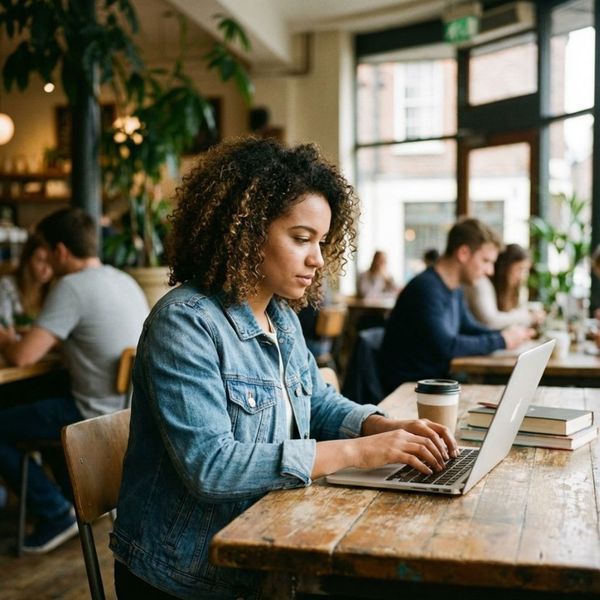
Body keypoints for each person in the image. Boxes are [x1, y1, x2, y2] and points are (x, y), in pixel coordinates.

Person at [110, 137, 459, 600]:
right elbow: (211, 466)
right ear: (246, 230)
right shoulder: (186, 322)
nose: (317, 259)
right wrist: (362, 452)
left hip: (264, 546)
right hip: (186, 574)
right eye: (301, 239)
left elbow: (314, 401)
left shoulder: (281, 317)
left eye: (321, 242)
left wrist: (381, 425)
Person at [0, 207, 148, 553]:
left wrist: (6, 338)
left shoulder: (71, 286)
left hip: (89, 414)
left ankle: (55, 514)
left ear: (61, 251)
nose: (48, 264)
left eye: (49, 253)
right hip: (124, 412)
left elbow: (23, 357)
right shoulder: (122, 278)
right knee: (35, 399)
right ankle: (71, 498)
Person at [380, 218, 534, 394]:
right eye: (486, 261)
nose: (490, 271)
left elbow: (469, 328)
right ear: (463, 253)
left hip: (440, 384)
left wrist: (508, 336)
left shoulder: (455, 288)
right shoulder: (426, 288)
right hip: (412, 392)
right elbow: (447, 347)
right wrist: (501, 340)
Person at [463, 243, 544, 330]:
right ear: (504, 267)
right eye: (519, 269)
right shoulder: (481, 282)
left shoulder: (512, 289)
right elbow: (491, 321)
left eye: (526, 270)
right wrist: (528, 317)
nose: (523, 276)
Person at [0, 233, 53, 329]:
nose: (46, 269)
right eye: (40, 260)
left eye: (51, 261)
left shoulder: (57, 287)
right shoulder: (7, 285)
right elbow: (4, 326)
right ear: (27, 260)